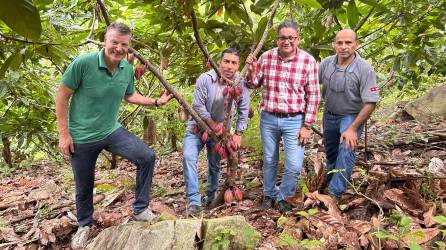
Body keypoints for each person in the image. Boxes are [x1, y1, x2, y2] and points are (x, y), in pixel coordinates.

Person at [55, 22, 173, 249]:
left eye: (124, 45)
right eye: (114, 42)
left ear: (129, 46)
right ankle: (84, 225)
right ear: (105, 40)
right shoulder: (83, 64)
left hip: (111, 130)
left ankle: (140, 209)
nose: (119, 48)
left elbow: (130, 95)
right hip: (82, 136)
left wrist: (156, 101)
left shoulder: (126, 68)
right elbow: (61, 97)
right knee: (84, 183)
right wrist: (64, 135)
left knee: (146, 156)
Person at [246, 20, 320, 213]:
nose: (286, 41)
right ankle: (269, 195)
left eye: (291, 38)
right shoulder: (266, 57)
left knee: (294, 164)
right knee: (270, 159)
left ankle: (284, 197)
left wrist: (307, 126)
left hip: (294, 119)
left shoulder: (308, 61)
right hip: (269, 118)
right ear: (277, 39)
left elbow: (313, 95)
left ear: (298, 39)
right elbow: (253, 84)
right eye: (282, 37)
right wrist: (252, 70)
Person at [183, 48, 250, 216]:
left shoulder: (239, 83)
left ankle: (211, 196)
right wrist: (213, 125)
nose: (229, 66)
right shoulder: (206, 79)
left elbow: (244, 108)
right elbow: (197, 105)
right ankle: (193, 201)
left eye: (233, 63)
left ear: (238, 65)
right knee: (188, 157)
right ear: (219, 62)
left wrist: (239, 133)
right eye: (226, 61)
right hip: (196, 128)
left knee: (214, 165)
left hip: (221, 133)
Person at [319, 29, 379, 203]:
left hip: (351, 116)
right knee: (331, 153)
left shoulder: (365, 69)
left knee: (346, 148)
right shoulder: (326, 64)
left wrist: (353, 128)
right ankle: (330, 182)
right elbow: (312, 86)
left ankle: (335, 193)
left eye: (348, 43)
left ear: (356, 44)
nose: (343, 47)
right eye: (339, 43)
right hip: (329, 114)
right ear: (334, 45)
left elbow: (371, 102)